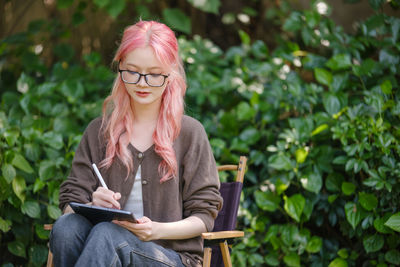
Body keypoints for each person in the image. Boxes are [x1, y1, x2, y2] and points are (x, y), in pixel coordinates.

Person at [49, 20, 223, 267]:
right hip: (104, 251)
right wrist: (91, 204)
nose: (142, 82)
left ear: (170, 73)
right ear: (120, 67)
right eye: (132, 71)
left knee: (108, 234)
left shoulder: (190, 133)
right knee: (67, 227)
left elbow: (204, 217)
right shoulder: (99, 131)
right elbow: (69, 203)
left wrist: (157, 230)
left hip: (171, 258)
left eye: (154, 74)